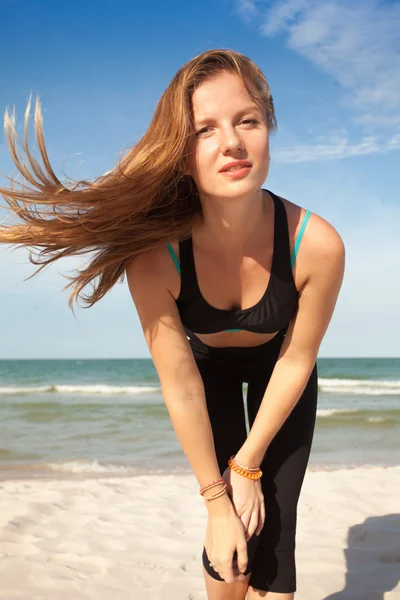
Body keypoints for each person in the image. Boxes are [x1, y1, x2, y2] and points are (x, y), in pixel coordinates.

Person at [0, 49, 345, 599]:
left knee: (276, 532)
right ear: (182, 156)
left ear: (268, 131)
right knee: (229, 551)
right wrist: (216, 499)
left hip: (282, 375)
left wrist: (249, 465)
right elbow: (181, 384)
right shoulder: (157, 257)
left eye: (247, 120)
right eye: (205, 130)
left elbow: (297, 358)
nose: (231, 141)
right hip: (206, 375)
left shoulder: (317, 246)